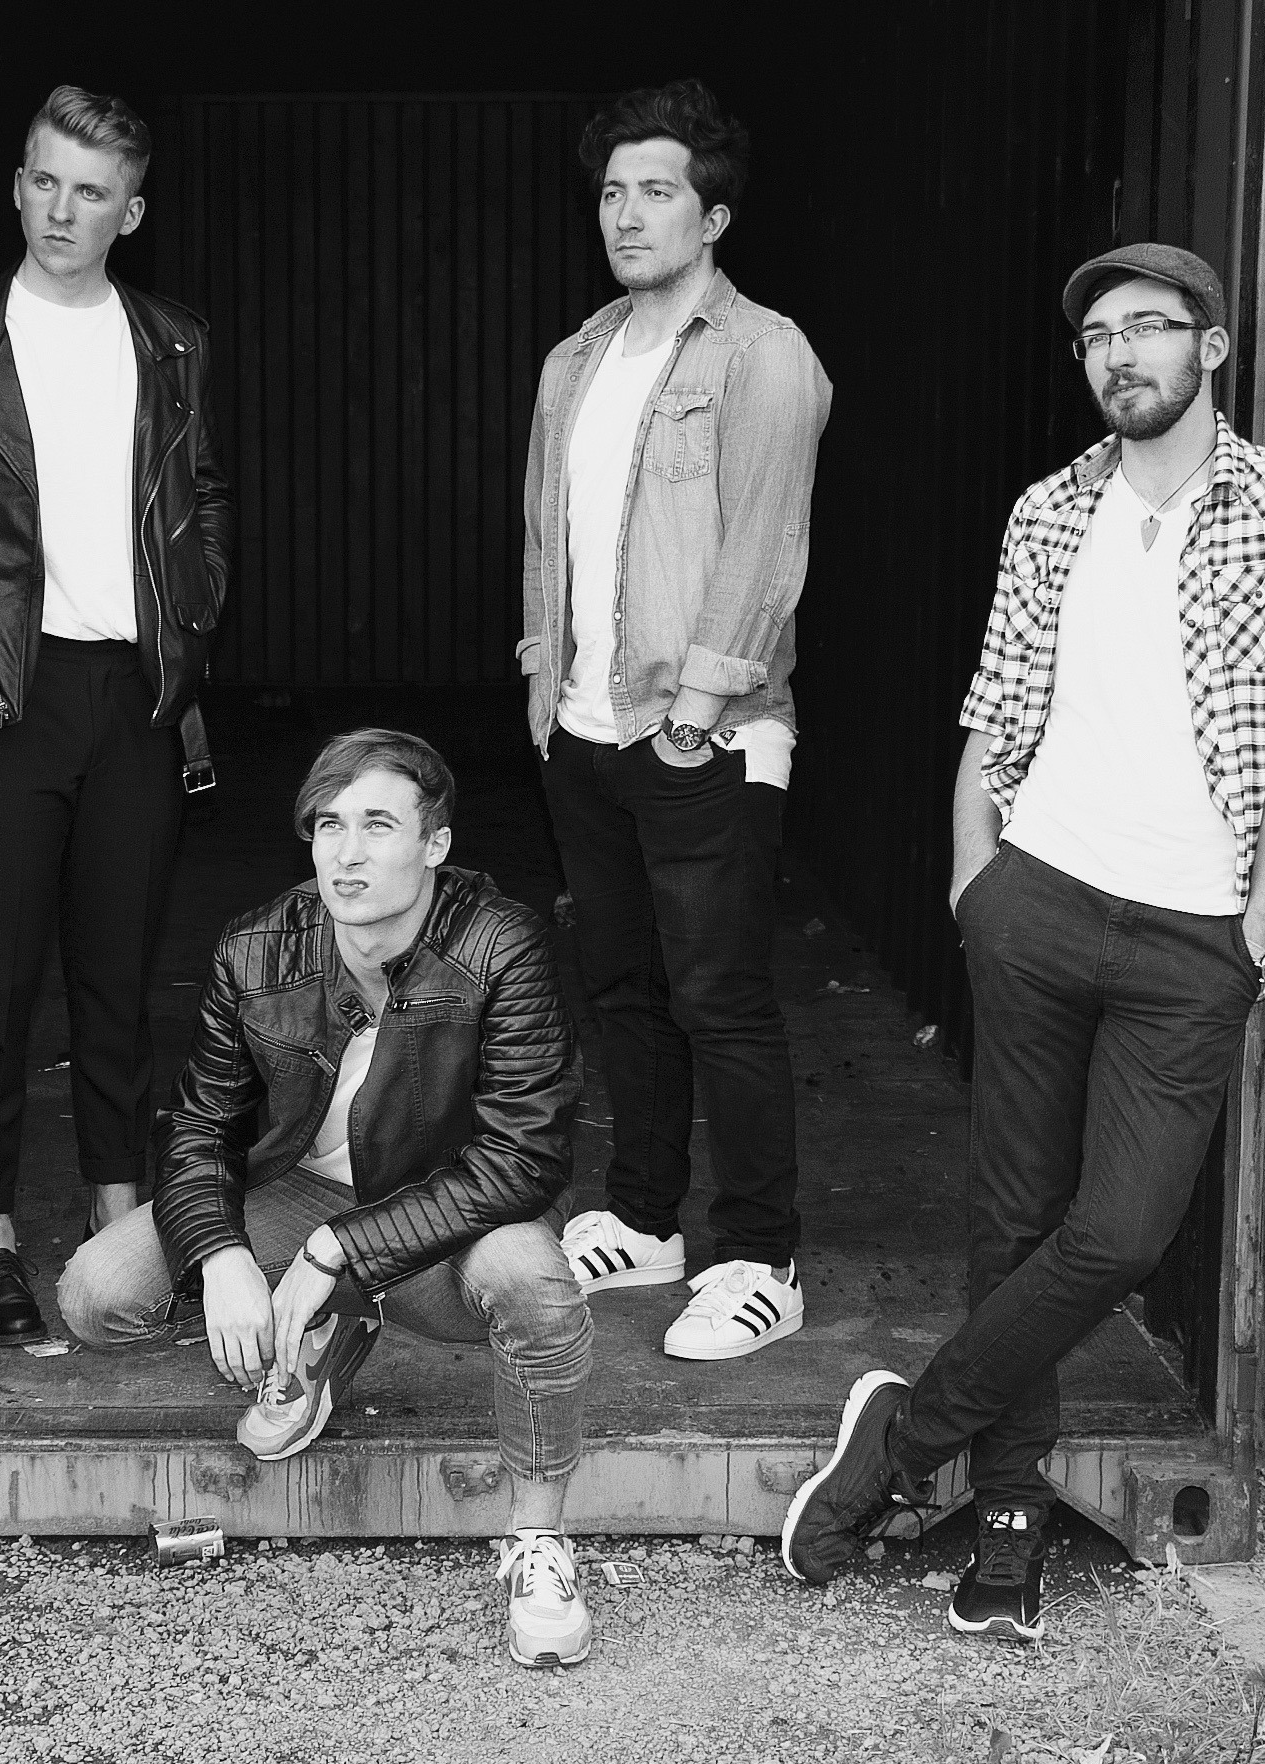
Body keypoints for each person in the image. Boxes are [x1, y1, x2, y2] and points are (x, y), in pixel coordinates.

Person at [781, 244, 1265, 1641]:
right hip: (1037, 901)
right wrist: (974, 880)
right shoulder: (1049, 508)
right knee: (1015, 1219)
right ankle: (1008, 1509)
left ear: (1210, 348)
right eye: (1097, 336)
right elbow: (997, 704)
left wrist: (1259, 926)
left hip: (1194, 932)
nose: (1119, 354)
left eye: (1148, 327)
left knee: (1118, 1233)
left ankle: (905, 1440)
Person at [56, 731, 596, 1668]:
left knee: (534, 1287)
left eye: (378, 825)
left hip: (455, 1214)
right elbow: (199, 1127)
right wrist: (221, 1256)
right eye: (328, 825)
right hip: (302, 1193)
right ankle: (327, 1328)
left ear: (434, 844)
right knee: (97, 1296)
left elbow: (523, 1156)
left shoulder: (499, 943)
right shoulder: (255, 948)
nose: (347, 853)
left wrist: (333, 1251)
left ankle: (538, 1538)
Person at [0, 84, 234, 1350]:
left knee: (118, 978)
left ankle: (121, 1228)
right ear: (17, 184)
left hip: (135, 692)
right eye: (45, 181)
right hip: (9, 691)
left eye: (92, 191)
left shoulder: (172, 341)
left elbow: (205, 492)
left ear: (133, 211)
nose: (62, 210)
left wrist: (196, 604)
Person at [519, 80, 833, 1362]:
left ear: (712, 218)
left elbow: (766, 542)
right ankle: (646, 1220)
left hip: (704, 728)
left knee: (721, 996)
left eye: (656, 191)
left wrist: (697, 708)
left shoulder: (763, 355)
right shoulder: (574, 360)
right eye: (611, 192)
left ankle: (760, 1254)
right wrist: (543, 683)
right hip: (586, 727)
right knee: (623, 986)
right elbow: (547, 538)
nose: (626, 214)